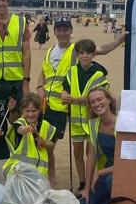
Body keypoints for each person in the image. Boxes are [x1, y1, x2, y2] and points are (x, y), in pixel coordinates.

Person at [36, 17, 126, 186]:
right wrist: (39, 86)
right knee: (48, 145)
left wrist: (120, 39)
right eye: (59, 29)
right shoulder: (50, 51)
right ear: (54, 31)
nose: (62, 33)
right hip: (50, 106)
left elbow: (102, 50)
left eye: (66, 29)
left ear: (71, 32)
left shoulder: (76, 50)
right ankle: (52, 177)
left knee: (88, 148)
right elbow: (43, 71)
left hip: (69, 108)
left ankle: (87, 182)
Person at [61, 38, 110, 193]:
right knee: (77, 153)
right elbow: (65, 89)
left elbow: (94, 96)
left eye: (88, 53)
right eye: (81, 53)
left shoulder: (99, 72)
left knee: (91, 154)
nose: (85, 56)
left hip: (92, 120)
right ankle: (82, 183)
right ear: (77, 54)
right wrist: (64, 96)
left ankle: (90, 183)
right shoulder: (71, 72)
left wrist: (74, 100)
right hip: (75, 122)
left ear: (93, 54)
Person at [80, 86, 116, 204]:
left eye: (100, 99)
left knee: (111, 181)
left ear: (109, 100)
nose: (97, 104)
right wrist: (87, 186)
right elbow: (91, 155)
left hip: (120, 172)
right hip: (105, 173)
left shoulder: (122, 123)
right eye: (92, 102)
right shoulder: (93, 124)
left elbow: (127, 163)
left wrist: (99, 173)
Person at [4, 93, 56, 178]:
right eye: (27, 111)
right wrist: (28, 129)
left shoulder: (46, 125)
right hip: (20, 173)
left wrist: (45, 143)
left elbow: (52, 144)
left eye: (34, 111)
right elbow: (20, 129)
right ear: (22, 112)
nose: (30, 114)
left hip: (40, 175)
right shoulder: (19, 122)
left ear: (39, 110)